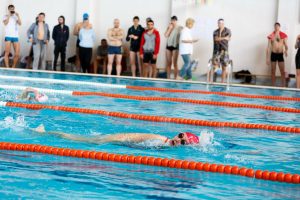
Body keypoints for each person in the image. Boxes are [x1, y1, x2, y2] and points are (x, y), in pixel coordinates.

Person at [33, 124, 200, 147]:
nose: (178, 139)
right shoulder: (161, 140)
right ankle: (45, 132)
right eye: (180, 135)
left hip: (120, 140)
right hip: (118, 138)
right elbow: (133, 137)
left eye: (183, 142)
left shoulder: (165, 144)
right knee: (83, 140)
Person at [266, 22, 288, 87]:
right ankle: (273, 86)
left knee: (282, 71)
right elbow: (268, 47)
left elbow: (286, 45)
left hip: (280, 55)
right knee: (273, 70)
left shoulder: (283, 35)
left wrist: (286, 50)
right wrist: (267, 58)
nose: (276, 27)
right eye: (275, 26)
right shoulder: (271, 36)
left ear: (279, 27)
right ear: (274, 27)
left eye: (277, 26)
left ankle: (283, 86)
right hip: (273, 54)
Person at [209, 19, 232, 83]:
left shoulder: (228, 31)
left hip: (225, 51)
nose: (220, 24)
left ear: (223, 24)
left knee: (224, 68)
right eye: (219, 23)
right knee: (214, 67)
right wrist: (224, 38)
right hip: (216, 51)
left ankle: (222, 82)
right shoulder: (215, 31)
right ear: (217, 24)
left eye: (221, 23)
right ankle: (209, 82)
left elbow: (229, 38)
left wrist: (221, 39)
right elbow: (216, 39)